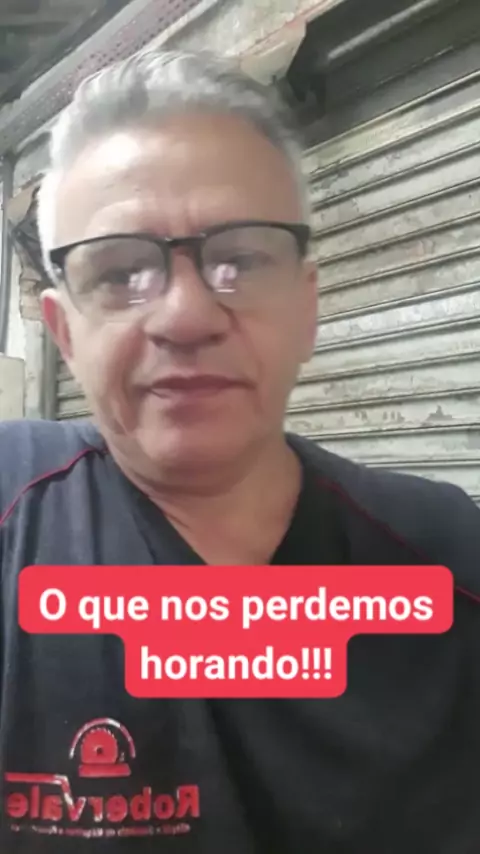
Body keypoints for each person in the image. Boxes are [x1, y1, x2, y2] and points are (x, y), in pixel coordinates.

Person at [0, 49, 479, 854]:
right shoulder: (13, 518)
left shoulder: (450, 561)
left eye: (241, 259)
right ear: (64, 332)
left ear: (307, 306)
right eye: (120, 273)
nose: (185, 316)